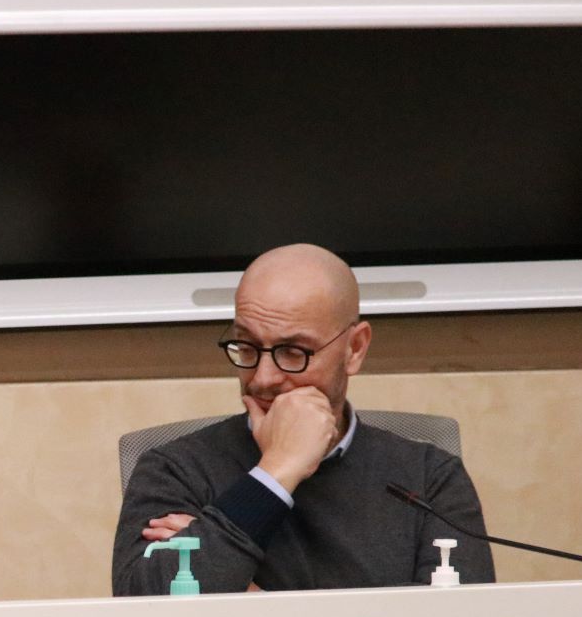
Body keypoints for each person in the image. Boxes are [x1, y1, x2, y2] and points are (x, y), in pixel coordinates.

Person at [112, 243, 495, 595]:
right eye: (246, 346)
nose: (263, 378)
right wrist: (275, 472)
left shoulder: (429, 479)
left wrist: (249, 596)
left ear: (354, 349)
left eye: (293, 352)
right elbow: (144, 612)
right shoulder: (175, 469)